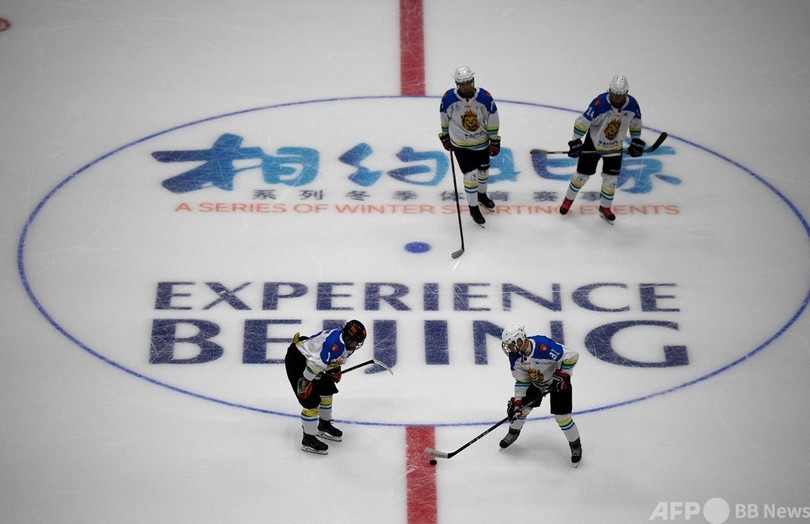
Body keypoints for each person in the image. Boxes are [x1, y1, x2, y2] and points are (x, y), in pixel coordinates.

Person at [559, 74, 645, 225]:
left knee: (611, 180)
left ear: (626, 93)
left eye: (620, 95)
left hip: (615, 147)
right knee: (581, 176)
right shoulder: (599, 103)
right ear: (609, 91)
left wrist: (636, 141)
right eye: (614, 94)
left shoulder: (632, 105)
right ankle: (567, 201)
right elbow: (582, 122)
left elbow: (636, 124)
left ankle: (605, 207)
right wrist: (575, 141)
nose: (617, 98)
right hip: (593, 144)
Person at [499, 323, 582, 466]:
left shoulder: (543, 346)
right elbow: (522, 380)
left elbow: (572, 356)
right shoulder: (515, 357)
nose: (509, 349)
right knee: (521, 410)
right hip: (536, 383)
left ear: (519, 341)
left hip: (558, 383)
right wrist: (518, 402)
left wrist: (563, 375)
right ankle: (513, 432)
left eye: (511, 345)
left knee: (563, 418)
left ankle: (575, 445)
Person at [285, 319, 367, 455]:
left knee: (327, 391)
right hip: (298, 359)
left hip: (313, 360)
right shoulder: (334, 344)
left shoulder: (348, 344)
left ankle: (324, 425)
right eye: (355, 341)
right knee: (310, 401)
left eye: (359, 342)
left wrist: (335, 370)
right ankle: (308, 439)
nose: (357, 345)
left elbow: (332, 358)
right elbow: (316, 364)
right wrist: (305, 382)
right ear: (348, 338)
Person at [439, 65, 501, 226]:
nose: (465, 86)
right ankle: (473, 208)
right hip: (461, 145)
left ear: (472, 80)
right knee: (471, 176)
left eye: (467, 82)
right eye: (462, 83)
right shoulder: (449, 99)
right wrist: (445, 135)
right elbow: (444, 117)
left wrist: (494, 139)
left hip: (481, 143)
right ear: (457, 83)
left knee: (483, 172)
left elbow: (492, 117)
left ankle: (481, 195)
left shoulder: (484, 98)